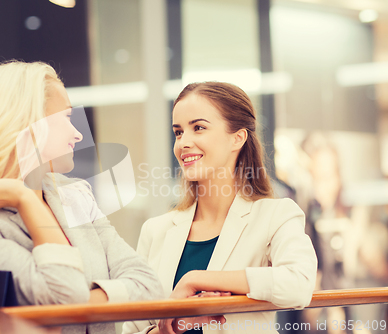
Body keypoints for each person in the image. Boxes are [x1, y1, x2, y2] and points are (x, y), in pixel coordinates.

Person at [0, 60, 163, 334]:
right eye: (67, 118)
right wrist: (25, 199)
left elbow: (149, 285)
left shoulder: (74, 195)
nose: (78, 133)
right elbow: (64, 295)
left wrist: (84, 302)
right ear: (28, 124)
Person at [122, 82, 318, 334]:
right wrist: (164, 330)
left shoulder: (275, 215)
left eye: (199, 128)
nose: (183, 143)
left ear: (238, 138)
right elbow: (132, 329)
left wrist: (196, 279)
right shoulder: (155, 231)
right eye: (179, 132)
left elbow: (299, 283)